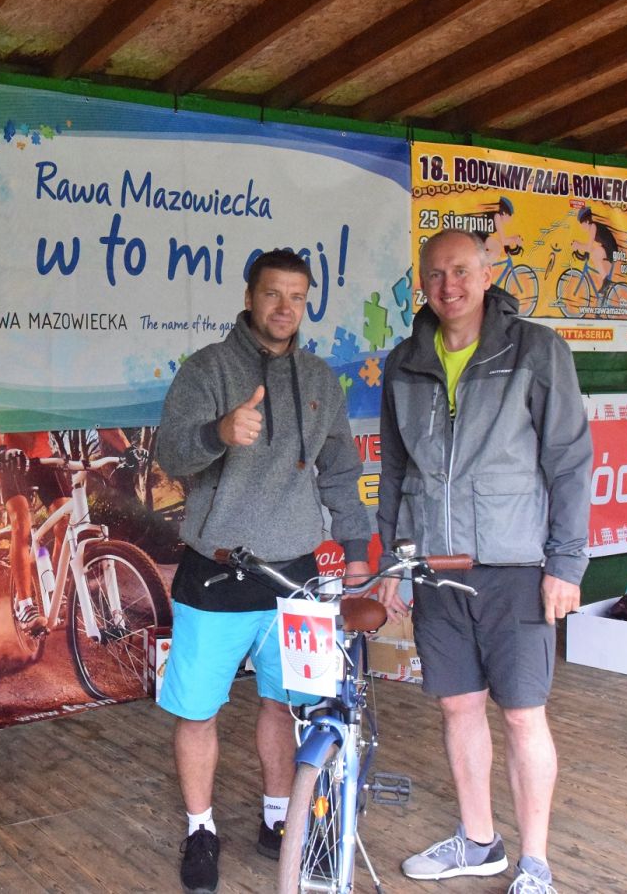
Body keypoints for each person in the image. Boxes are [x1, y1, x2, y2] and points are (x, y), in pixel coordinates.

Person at [377, 230, 591, 894]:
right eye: (436, 274)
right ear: (422, 282)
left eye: (462, 270)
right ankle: (478, 841)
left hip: (515, 564)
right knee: (458, 708)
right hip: (437, 567)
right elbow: (396, 470)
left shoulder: (535, 350)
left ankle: (535, 864)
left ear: (487, 272)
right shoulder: (405, 361)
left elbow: (569, 461)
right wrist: (395, 560)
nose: (450, 286)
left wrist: (566, 563)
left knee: (523, 713)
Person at [154, 248, 372, 894]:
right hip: (217, 572)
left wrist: (356, 548)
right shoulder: (207, 369)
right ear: (250, 298)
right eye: (273, 293)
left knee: (285, 705)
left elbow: (340, 469)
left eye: (297, 296)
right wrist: (218, 431)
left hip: (296, 577)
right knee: (198, 710)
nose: (285, 307)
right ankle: (200, 829)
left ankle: (280, 817)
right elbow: (170, 453)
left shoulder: (319, 378)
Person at [0, 429, 146, 635]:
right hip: (12, 460)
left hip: (47, 460)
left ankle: (54, 592)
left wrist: (128, 449)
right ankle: (23, 603)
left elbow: (100, 420)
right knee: (21, 523)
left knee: (66, 521)